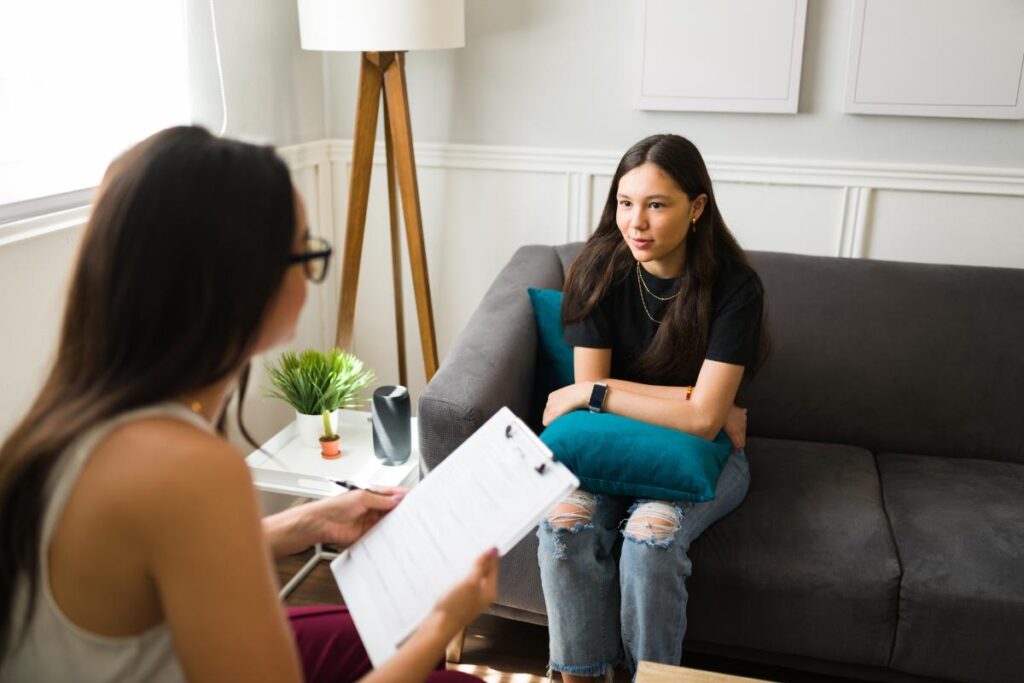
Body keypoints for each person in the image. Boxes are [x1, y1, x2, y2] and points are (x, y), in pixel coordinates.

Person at [0, 126, 494, 683]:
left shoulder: (64, 422)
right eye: (307, 252)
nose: (311, 275)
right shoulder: (189, 469)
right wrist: (445, 621)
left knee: (377, 635)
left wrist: (313, 520)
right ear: (241, 281)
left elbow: (153, 563)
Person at [537, 134, 767, 681]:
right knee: (563, 523)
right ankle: (579, 676)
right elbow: (702, 406)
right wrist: (692, 399)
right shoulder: (598, 271)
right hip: (612, 449)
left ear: (697, 208)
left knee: (649, 539)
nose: (635, 222)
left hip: (703, 454)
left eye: (656, 205)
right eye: (625, 202)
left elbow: (703, 422)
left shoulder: (736, 288)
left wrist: (598, 393)